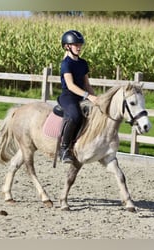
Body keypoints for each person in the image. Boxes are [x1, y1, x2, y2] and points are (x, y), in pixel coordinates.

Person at [58, 30, 97, 163]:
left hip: (81, 96)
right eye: (75, 44)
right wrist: (88, 96)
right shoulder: (66, 63)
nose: (79, 47)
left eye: (80, 44)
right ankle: (64, 149)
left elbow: (86, 84)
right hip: (68, 96)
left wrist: (95, 98)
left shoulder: (83, 63)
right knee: (75, 115)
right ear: (67, 46)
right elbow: (70, 85)